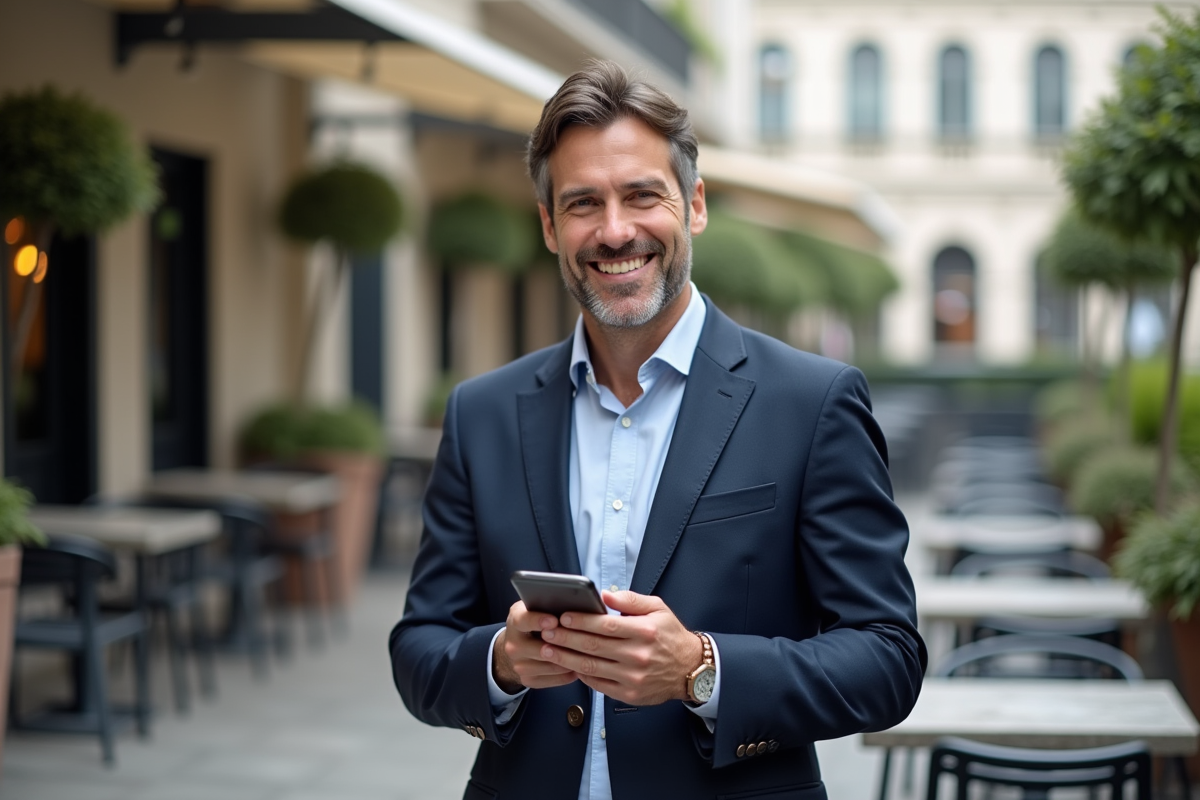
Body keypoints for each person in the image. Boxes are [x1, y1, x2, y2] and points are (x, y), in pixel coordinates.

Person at [390, 60, 925, 800]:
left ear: (694, 205)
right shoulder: (481, 412)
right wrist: (501, 662)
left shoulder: (812, 401)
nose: (615, 231)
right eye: (583, 203)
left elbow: (888, 658)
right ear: (549, 226)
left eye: (642, 195)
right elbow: (418, 649)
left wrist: (702, 669)